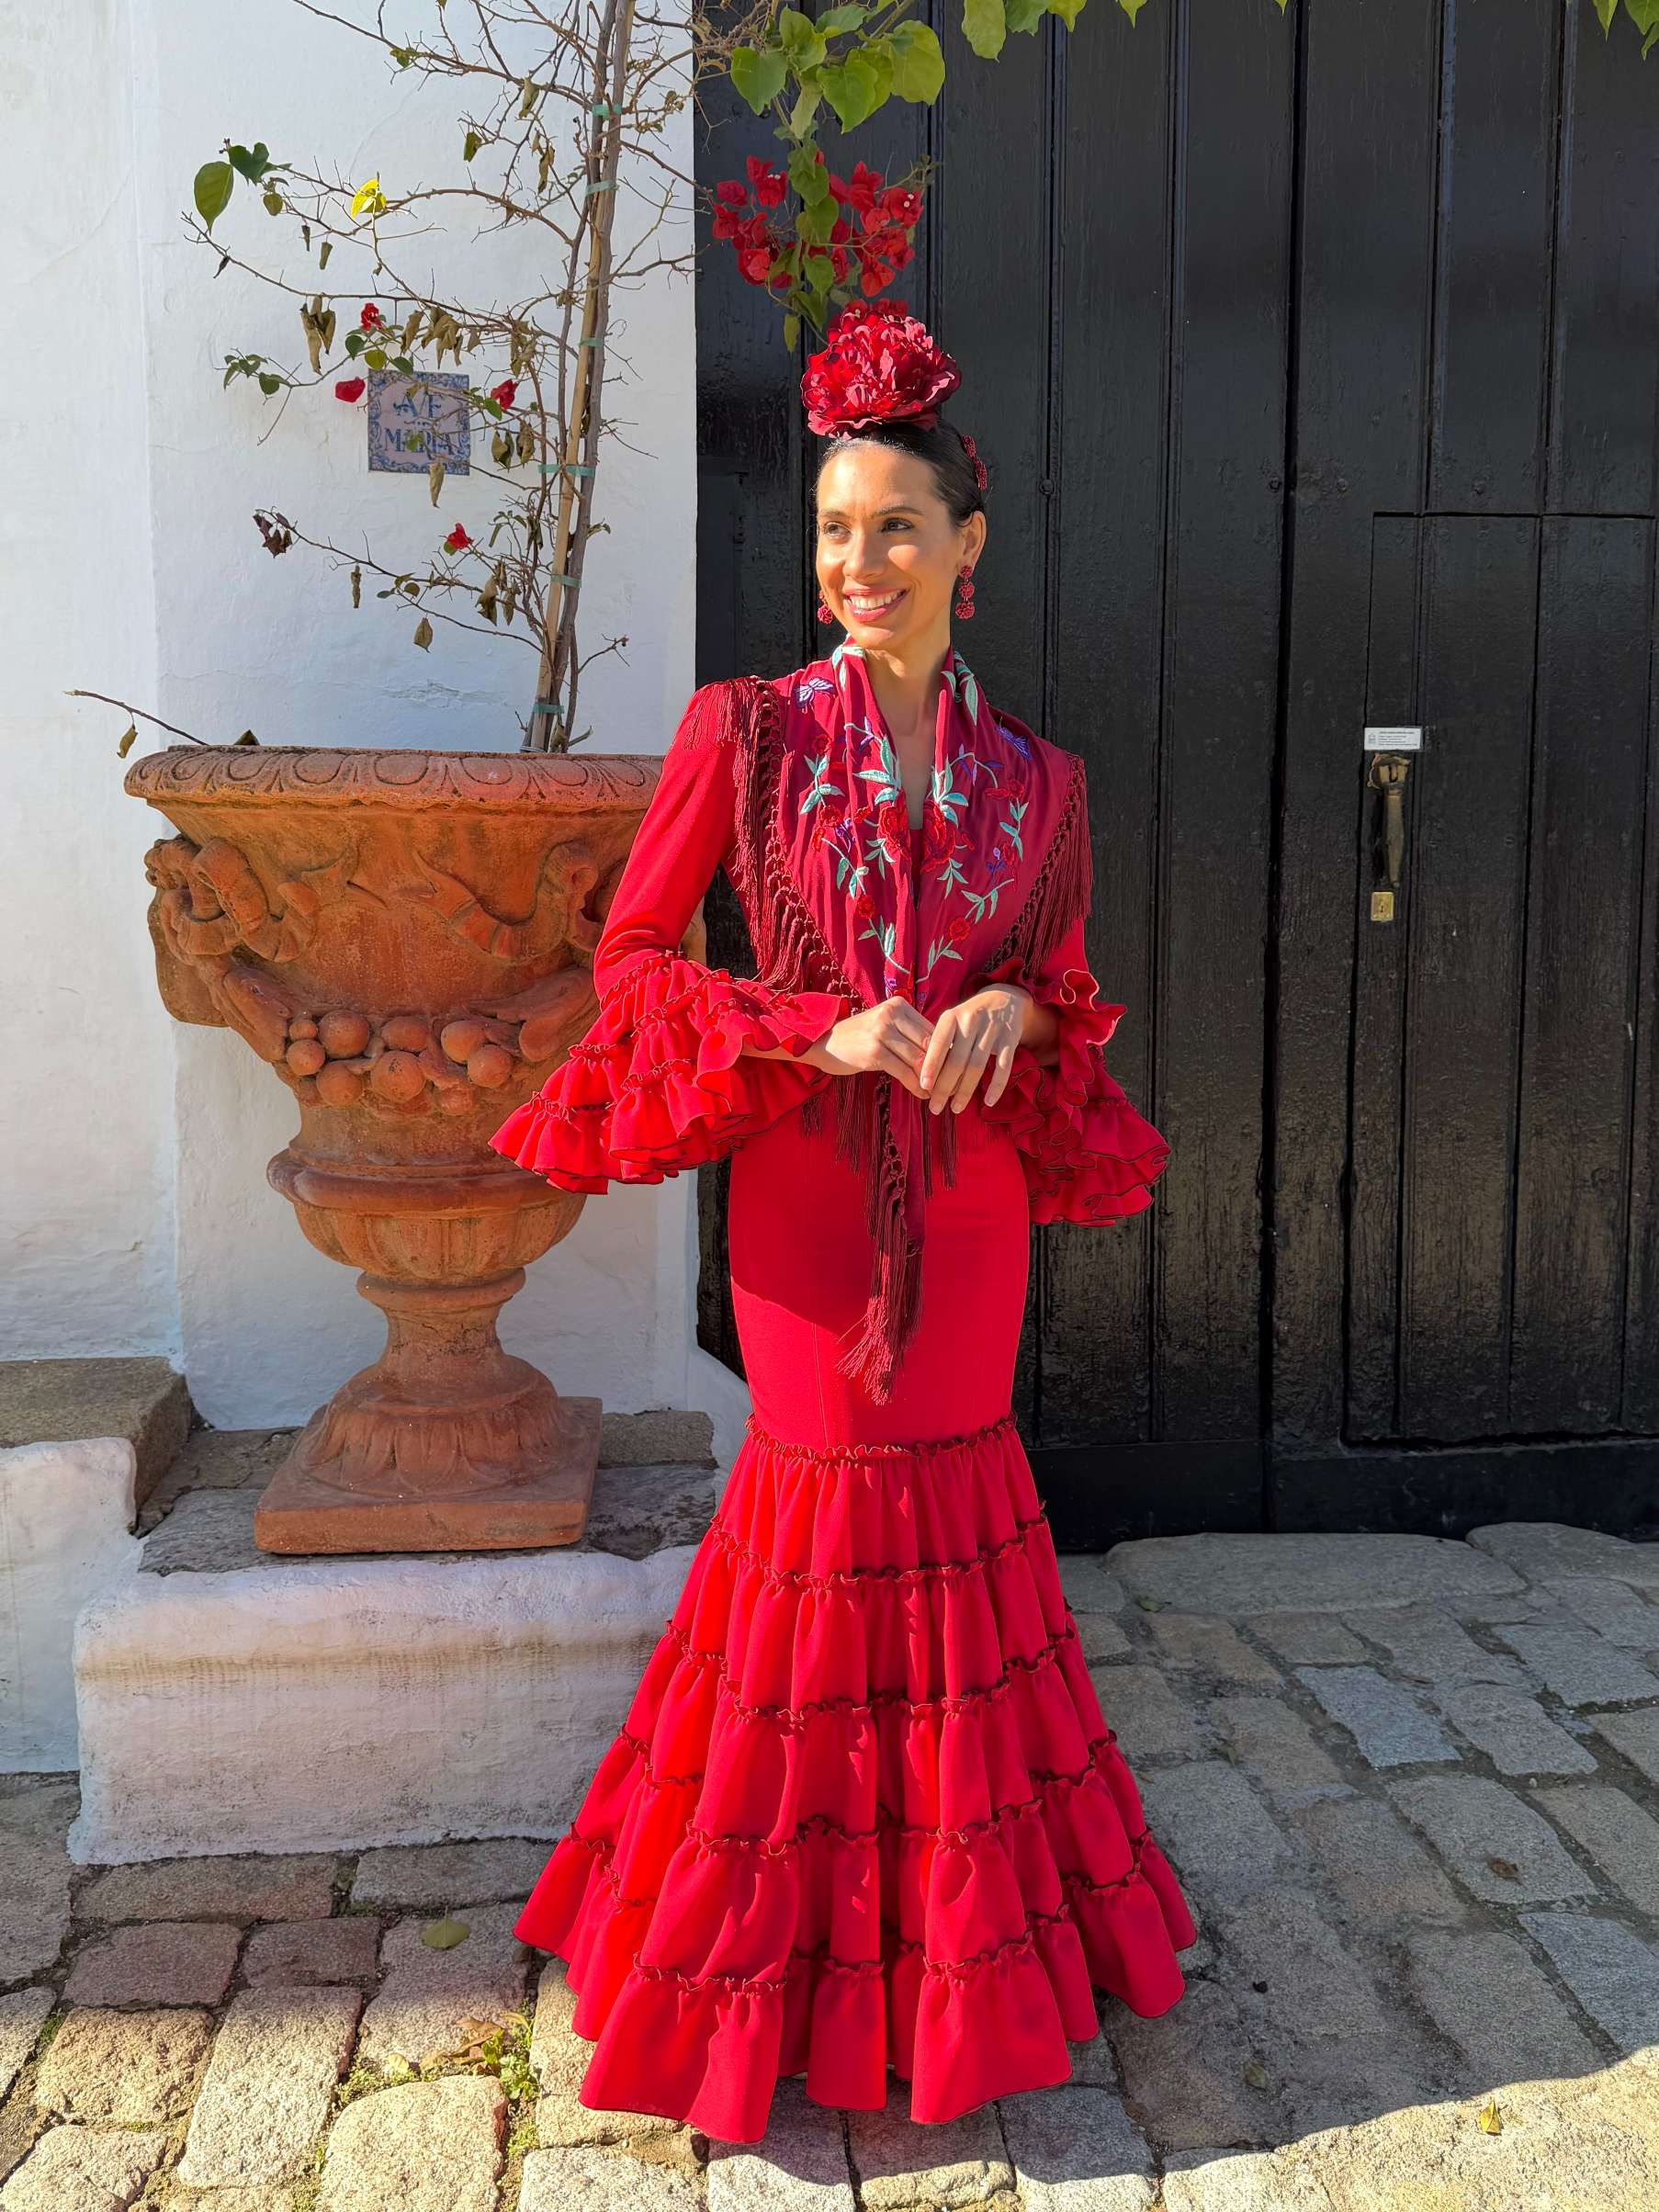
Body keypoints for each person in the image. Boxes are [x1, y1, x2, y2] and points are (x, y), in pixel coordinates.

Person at [489, 298, 1197, 2143]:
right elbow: (636, 961)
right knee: (810, 1520)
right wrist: (823, 1026)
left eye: (894, 525)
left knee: (962, 1517)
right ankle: (768, 1969)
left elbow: (1062, 985)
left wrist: (1006, 1014)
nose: (857, 562)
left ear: (970, 545)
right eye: (830, 531)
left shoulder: (1043, 786)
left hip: (967, 1221)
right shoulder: (742, 736)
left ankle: (957, 1961)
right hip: (804, 1214)